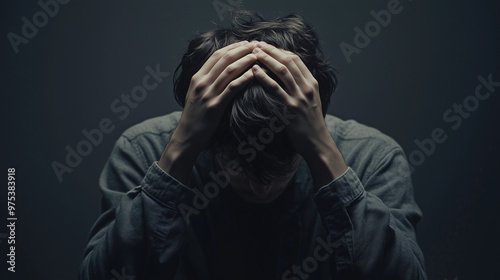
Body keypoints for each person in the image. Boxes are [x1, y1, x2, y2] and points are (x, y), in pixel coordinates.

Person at [79, 10, 428, 280]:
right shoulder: (142, 151)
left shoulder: (373, 158)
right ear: (209, 138)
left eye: (283, 163)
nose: (261, 186)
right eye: (238, 163)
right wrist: (180, 149)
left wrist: (322, 152)